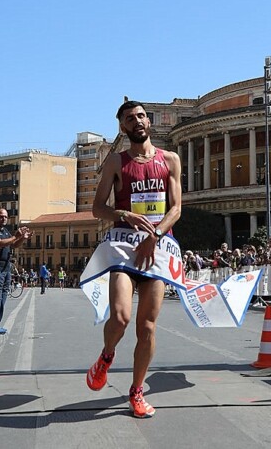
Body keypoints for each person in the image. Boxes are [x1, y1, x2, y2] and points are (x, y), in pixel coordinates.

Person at [86, 100, 182, 419]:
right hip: (124, 246)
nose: (137, 121)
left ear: (149, 122)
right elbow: (98, 207)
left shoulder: (170, 160)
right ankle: (106, 355)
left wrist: (156, 234)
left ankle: (136, 391)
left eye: (141, 116)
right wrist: (123, 213)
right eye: (130, 118)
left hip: (156, 247)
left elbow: (176, 208)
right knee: (121, 316)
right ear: (123, 127)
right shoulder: (116, 161)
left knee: (148, 327)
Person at [0, 208, 31, 334]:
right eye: (1, 216)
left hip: (6, 268)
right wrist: (16, 236)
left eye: (5, 217)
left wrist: (22, 238)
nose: (4, 218)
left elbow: (13, 244)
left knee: (3, 296)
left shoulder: (5, 231)